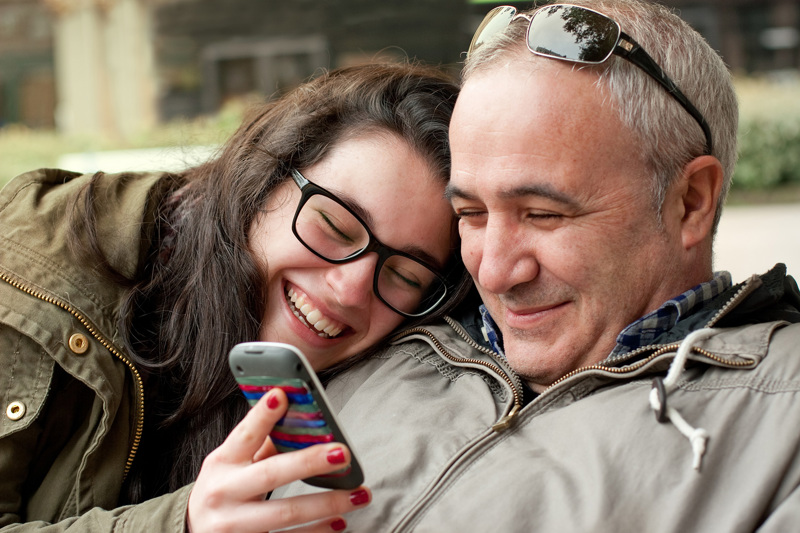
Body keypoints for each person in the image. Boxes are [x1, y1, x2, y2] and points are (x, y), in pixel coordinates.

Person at [274, 1, 800, 531]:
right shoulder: (391, 329)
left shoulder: (782, 419)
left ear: (690, 202)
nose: (494, 274)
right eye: (470, 214)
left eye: (543, 214)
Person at [0, 62, 472, 531]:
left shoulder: (396, 376)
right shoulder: (37, 268)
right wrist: (184, 523)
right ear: (264, 177)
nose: (350, 290)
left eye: (405, 276)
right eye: (334, 226)